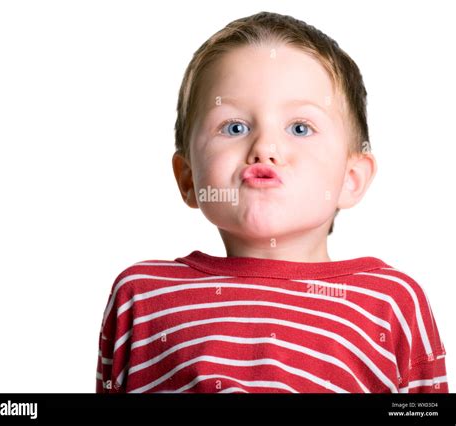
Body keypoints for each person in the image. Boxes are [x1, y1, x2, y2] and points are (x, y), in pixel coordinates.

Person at [96, 11, 448, 393]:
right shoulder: (144, 296)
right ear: (188, 178)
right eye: (234, 127)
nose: (264, 147)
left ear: (351, 178)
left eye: (300, 128)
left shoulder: (390, 304)